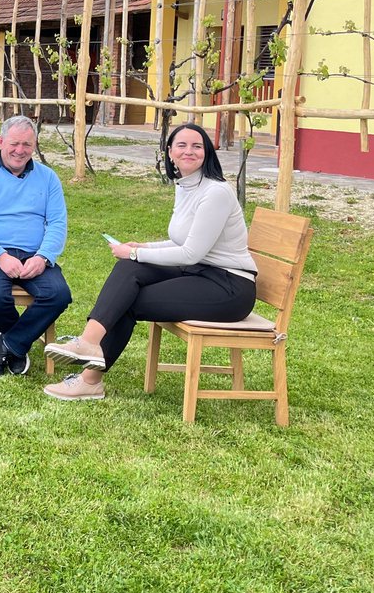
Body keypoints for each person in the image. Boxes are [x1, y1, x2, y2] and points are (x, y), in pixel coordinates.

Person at [43, 122, 257, 401]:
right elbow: (183, 243)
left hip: (229, 288)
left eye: (197, 146)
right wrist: (141, 248)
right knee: (129, 269)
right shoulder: (187, 186)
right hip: (200, 274)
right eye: (181, 145)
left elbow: (191, 253)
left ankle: (89, 375)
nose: (189, 151)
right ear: (169, 152)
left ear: (207, 152)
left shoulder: (215, 192)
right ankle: (88, 344)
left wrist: (135, 253)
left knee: (128, 296)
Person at [0, 115, 72, 377]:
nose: (20, 151)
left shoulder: (48, 178)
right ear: (0, 142)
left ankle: (9, 343)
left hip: (34, 254)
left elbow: (58, 223)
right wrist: (0, 256)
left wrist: (43, 257)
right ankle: (18, 343)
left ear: (34, 146)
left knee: (58, 294)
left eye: (27, 144)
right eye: (14, 143)